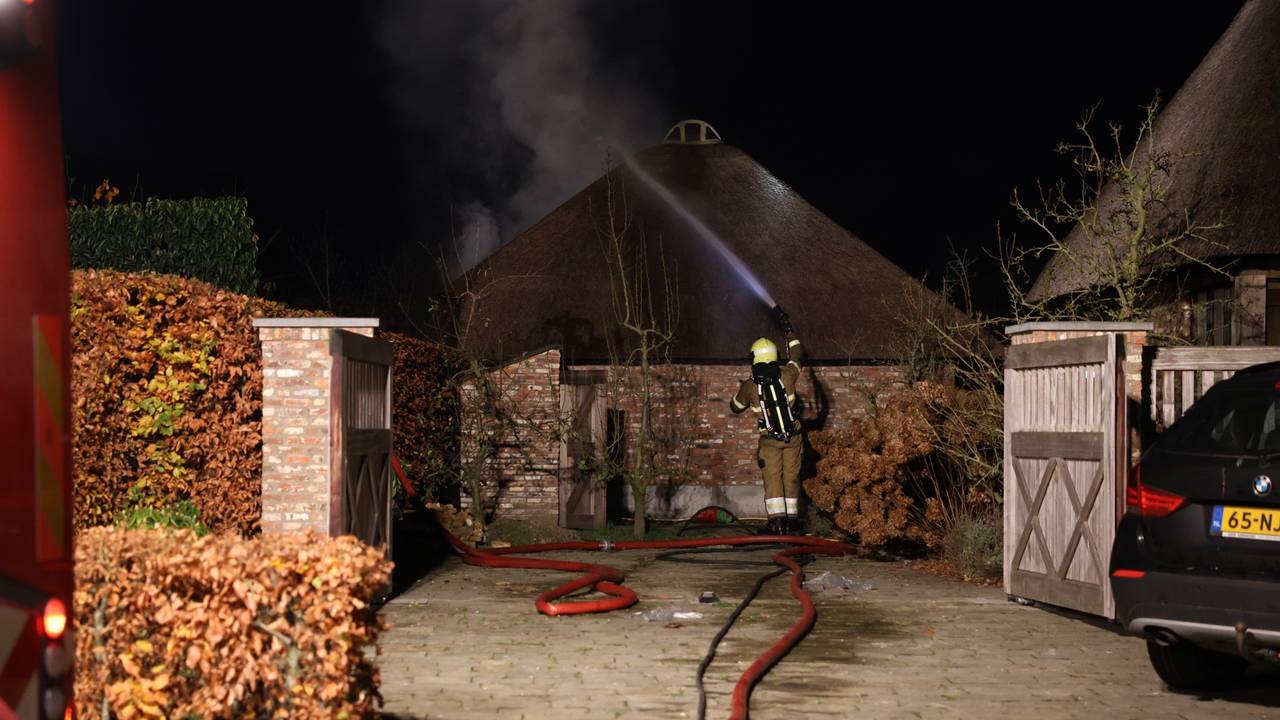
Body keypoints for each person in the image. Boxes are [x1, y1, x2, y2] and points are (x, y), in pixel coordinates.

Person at [729, 307, 804, 535]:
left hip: (770, 440)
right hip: (794, 436)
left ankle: (777, 523)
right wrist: (788, 330)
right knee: (791, 476)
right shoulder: (788, 374)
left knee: (773, 478)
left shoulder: (750, 386)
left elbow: (735, 407)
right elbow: (797, 354)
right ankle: (792, 522)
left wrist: (742, 388)